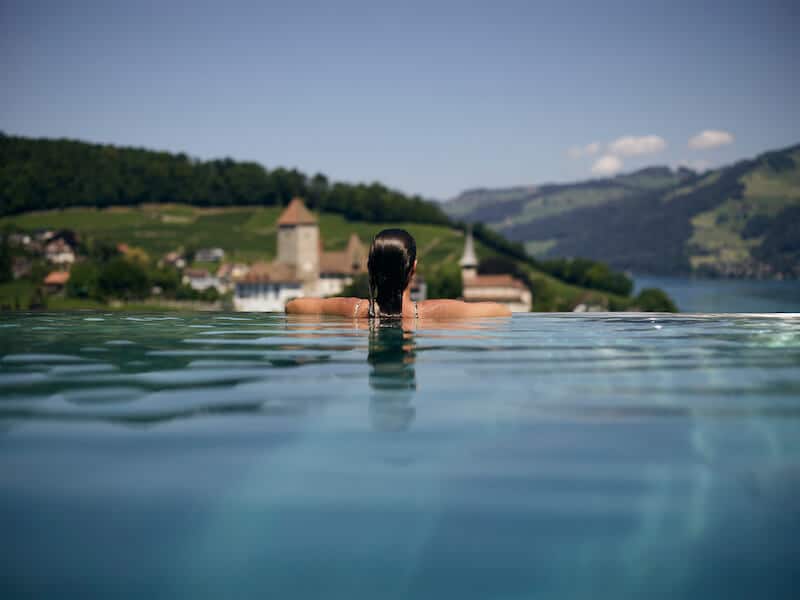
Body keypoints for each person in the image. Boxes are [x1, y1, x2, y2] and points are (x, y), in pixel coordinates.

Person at [285, 228, 511, 319]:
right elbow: (502, 312)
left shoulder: (353, 310)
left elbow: (293, 306)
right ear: (413, 268)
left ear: (371, 268)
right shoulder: (431, 313)